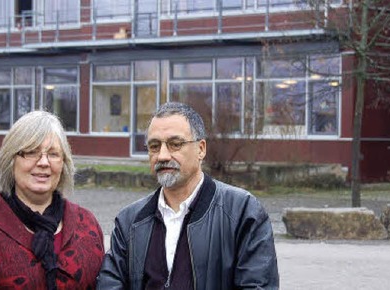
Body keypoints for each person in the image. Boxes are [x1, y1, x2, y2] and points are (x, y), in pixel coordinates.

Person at [97, 102, 280, 289]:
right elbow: (109, 283)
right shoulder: (129, 221)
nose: (162, 156)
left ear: (201, 149)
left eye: (175, 144)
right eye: (154, 146)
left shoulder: (243, 212)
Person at [0, 110, 105, 289]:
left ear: (64, 163)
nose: (43, 162)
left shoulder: (87, 224)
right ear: (11, 160)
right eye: (31, 152)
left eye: (53, 154)